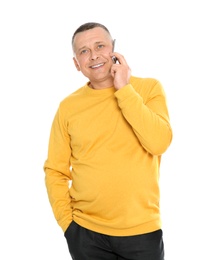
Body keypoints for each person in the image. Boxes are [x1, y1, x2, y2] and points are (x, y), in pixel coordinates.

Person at [43, 22, 173, 260]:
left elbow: (158, 142)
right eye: (83, 51)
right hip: (86, 234)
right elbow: (55, 170)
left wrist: (124, 88)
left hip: (142, 232)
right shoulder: (68, 107)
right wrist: (68, 226)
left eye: (100, 46)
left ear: (114, 49)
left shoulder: (148, 89)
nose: (93, 55)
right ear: (76, 64)